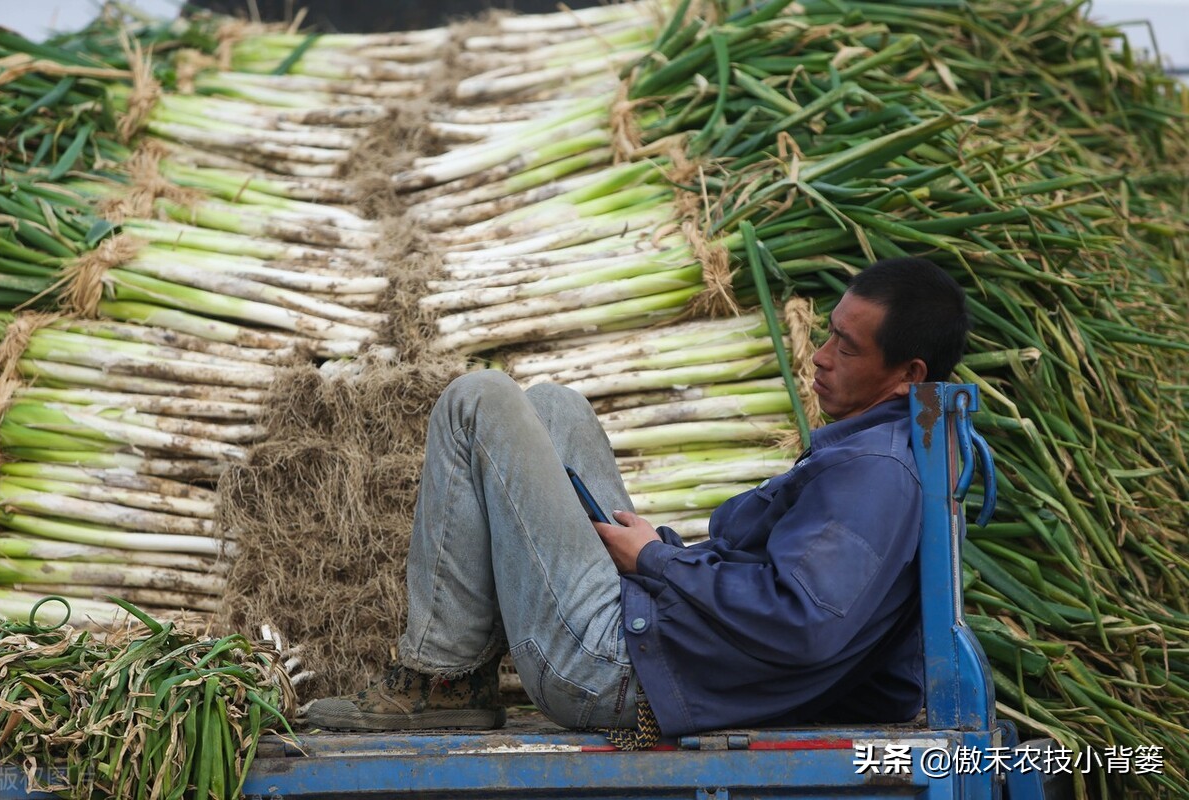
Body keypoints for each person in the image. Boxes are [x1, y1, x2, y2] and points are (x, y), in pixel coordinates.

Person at [307, 256, 970, 741]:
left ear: (907, 374)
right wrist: (672, 556)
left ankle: (439, 680)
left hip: (615, 669)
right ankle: (459, 677)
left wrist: (657, 561)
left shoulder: (874, 477)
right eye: (827, 334)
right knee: (552, 407)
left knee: (476, 399)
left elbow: (801, 623)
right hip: (655, 639)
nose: (821, 357)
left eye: (845, 349)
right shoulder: (883, 452)